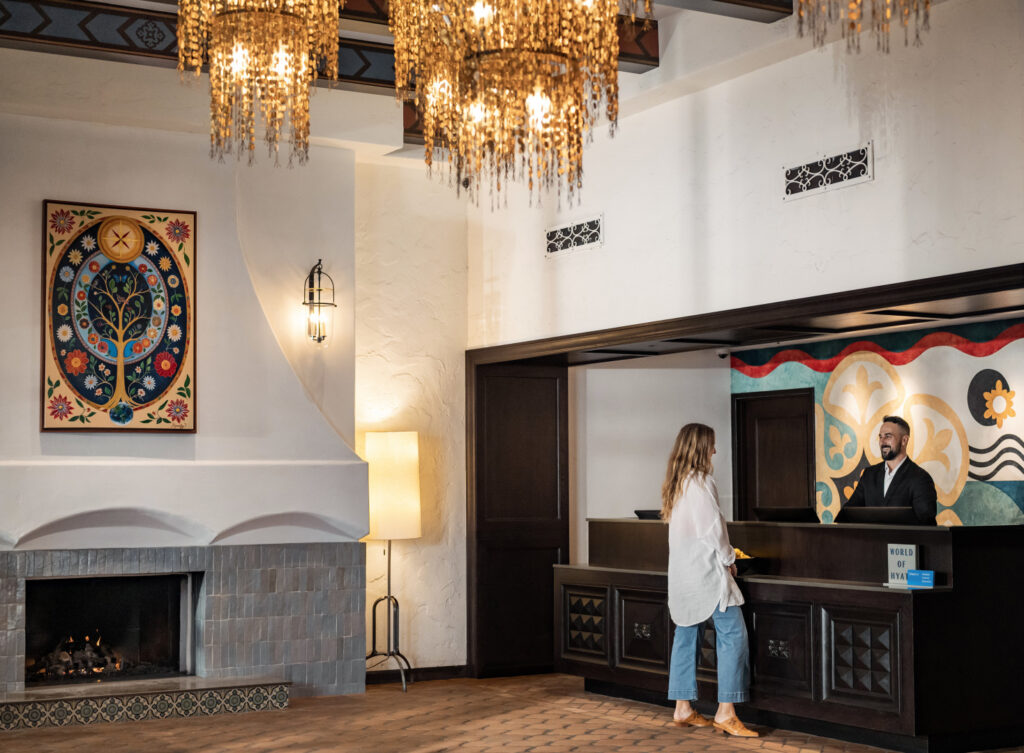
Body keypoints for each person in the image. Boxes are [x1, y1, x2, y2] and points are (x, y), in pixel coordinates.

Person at [661, 423, 757, 738]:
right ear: (701, 447)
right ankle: (726, 712)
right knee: (733, 635)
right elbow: (714, 528)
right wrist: (730, 560)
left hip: (683, 575)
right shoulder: (701, 481)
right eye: (712, 445)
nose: (715, 451)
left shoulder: (676, 483)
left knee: (686, 635)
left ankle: (682, 707)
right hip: (706, 575)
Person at [843, 415, 937, 524]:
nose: (882, 442)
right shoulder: (869, 475)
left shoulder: (921, 478)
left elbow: (926, 524)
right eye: (880, 437)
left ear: (904, 440)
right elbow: (848, 514)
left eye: (888, 436)